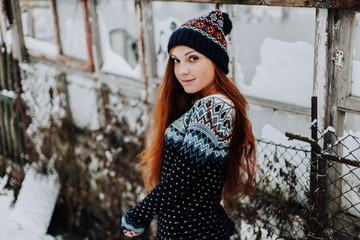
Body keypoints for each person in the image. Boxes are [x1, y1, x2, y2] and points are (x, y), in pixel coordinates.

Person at [121, 9, 257, 240]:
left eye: (193, 58)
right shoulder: (200, 105)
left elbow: (180, 177)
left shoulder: (216, 107)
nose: (182, 70)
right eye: (176, 60)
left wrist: (140, 214)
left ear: (215, 61)